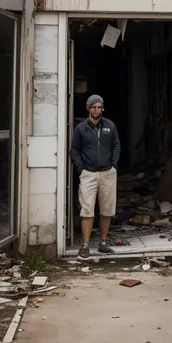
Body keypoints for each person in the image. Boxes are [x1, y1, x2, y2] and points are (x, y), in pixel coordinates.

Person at [70, 94, 121, 259]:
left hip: (108, 173)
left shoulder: (110, 126)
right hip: (88, 173)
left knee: (107, 210)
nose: (97, 110)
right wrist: (81, 169)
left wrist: (113, 165)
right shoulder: (80, 128)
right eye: (94, 107)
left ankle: (103, 243)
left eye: (99, 107)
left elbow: (116, 146)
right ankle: (85, 246)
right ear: (88, 108)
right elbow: (74, 150)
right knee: (87, 209)